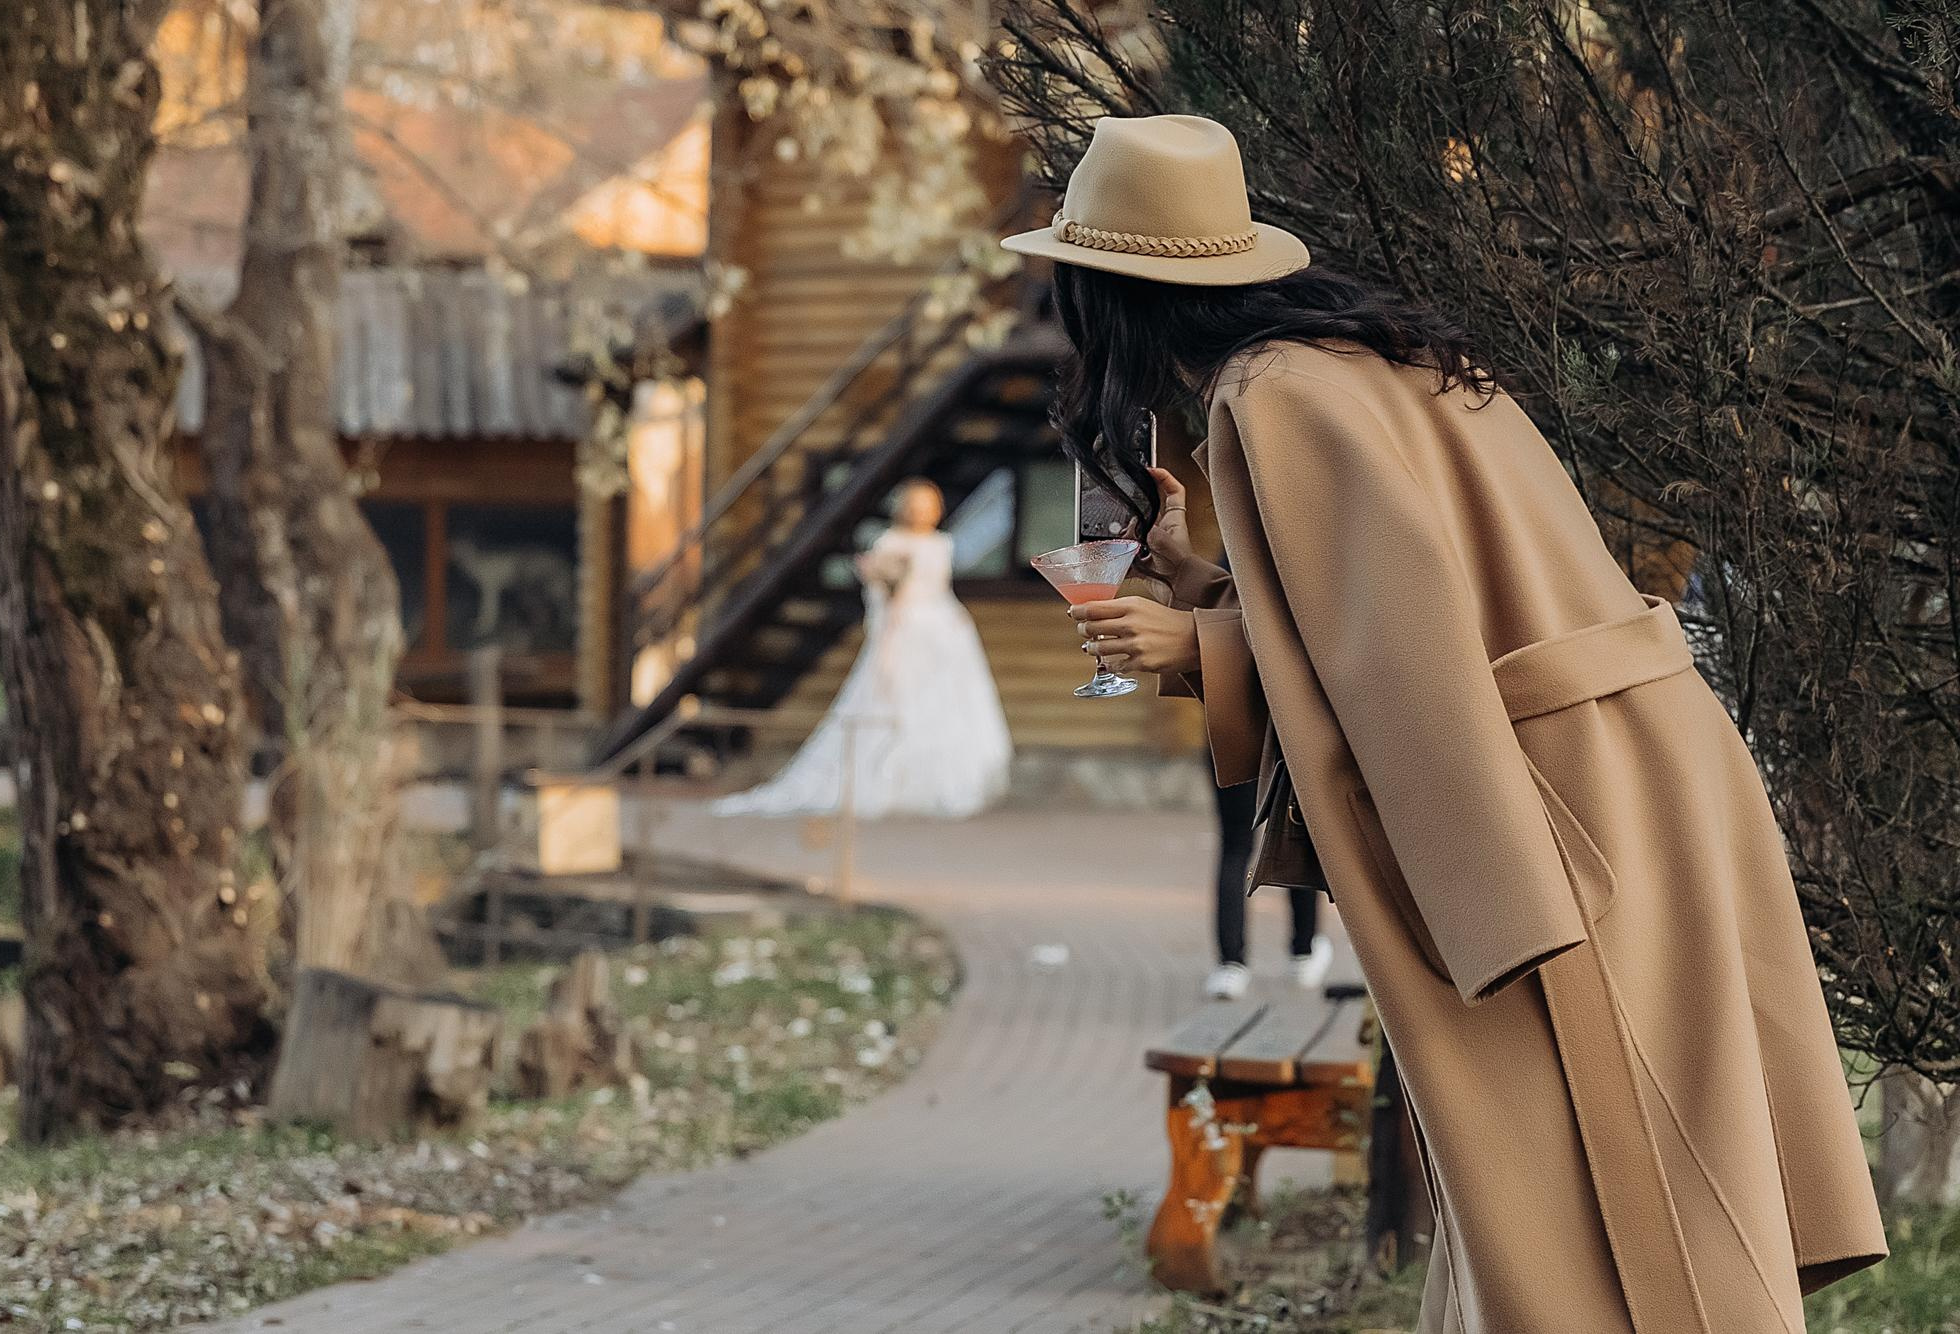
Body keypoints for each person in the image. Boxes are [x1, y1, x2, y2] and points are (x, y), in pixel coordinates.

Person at [1005, 114, 1884, 1332]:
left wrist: (1199, 647)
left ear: (1113, 295)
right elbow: (1387, 616)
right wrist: (1202, 586)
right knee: (1620, 1192)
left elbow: (1400, 670)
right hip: (1625, 768)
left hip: (1547, 806)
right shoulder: (1361, 358)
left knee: (1594, 1202)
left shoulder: (1273, 394)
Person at [713, 479, 1010, 820]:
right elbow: (883, 601)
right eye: (915, 504)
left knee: (941, 707)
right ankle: (887, 785)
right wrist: (884, 640)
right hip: (904, 632)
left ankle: (931, 788)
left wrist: (957, 618)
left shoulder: (942, 544)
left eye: (927, 505)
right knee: (894, 706)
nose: (920, 512)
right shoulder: (890, 542)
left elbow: (940, 589)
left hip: (942, 634)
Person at [1203, 563, 1330, 1002]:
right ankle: (1303, 950)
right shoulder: (1302, 572)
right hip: (1288, 729)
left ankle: (1230, 963)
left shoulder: (1223, 576)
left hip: (1230, 727)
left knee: (1236, 845)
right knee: (1300, 833)